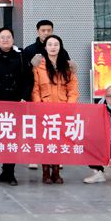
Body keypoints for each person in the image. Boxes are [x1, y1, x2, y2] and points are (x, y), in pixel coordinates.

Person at [22, 20, 70, 170]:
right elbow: (23, 73)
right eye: (43, 30)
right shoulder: (29, 50)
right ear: (38, 31)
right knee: (37, 129)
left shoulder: (62, 51)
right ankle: (34, 157)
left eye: (49, 30)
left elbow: (69, 75)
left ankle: (56, 158)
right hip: (36, 95)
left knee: (56, 129)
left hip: (58, 98)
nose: (46, 33)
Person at [31, 34, 79, 184]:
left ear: (60, 47)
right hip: (44, 110)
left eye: (56, 44)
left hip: (62, 109)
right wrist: (38, 107)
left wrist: (69, 107)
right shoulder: (39, 66)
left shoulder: (67, 66)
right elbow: (35, 89)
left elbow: (73, 89)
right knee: (45, 141)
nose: (53, 47)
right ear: (45, 47)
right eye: (50, 44)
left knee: (59, 141)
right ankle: (46, 171)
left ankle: (56, 171)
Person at [0, 28, 32, 186]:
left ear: (13, 39)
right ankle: (4, 170)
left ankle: (10, 172)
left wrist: (24, 97)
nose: (5, 40)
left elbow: (28, 78)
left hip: (16, 102)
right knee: (1, 137)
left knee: (12, 137)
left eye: (8, 37)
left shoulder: (21, 55)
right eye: (2, 37)